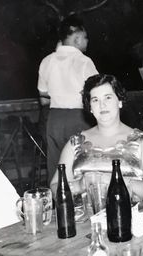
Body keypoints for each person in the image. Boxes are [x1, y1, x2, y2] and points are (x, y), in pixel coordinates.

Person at [51, 74, 143, 200]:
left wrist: (120, 182)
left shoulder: (141, 141)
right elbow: (54, 188)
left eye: (108, 98)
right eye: (95, 100)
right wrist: (80, 185)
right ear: (90, 107)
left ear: (120, 102)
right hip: (84, 218)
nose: (102, 105)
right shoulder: (75, 143)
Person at [37, 14, 99, 181]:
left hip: (54, 119)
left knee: (57, 167)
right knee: (82, 167)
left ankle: (59, 205)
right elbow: (98, 92)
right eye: (85, 38)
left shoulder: (46, 61)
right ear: (77, 39)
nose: (87, 42)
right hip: (79, 118)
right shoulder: (84, 61)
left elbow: (43, 99)